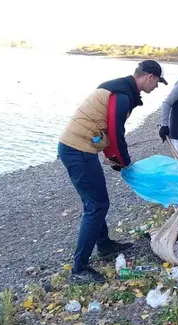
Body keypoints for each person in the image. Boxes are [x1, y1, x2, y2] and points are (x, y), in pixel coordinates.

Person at [58, 60, 167, 283]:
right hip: (77, 150)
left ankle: (105, 245)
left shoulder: (120, 89)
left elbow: (108, 128)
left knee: (95, 202)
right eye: (157, 82)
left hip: (77, 147)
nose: (156, 87)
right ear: (149, 77)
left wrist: (114, 159)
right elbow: (116, 133)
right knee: (96, 205)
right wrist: (124, 161)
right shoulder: (122, 94)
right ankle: (79, 269)